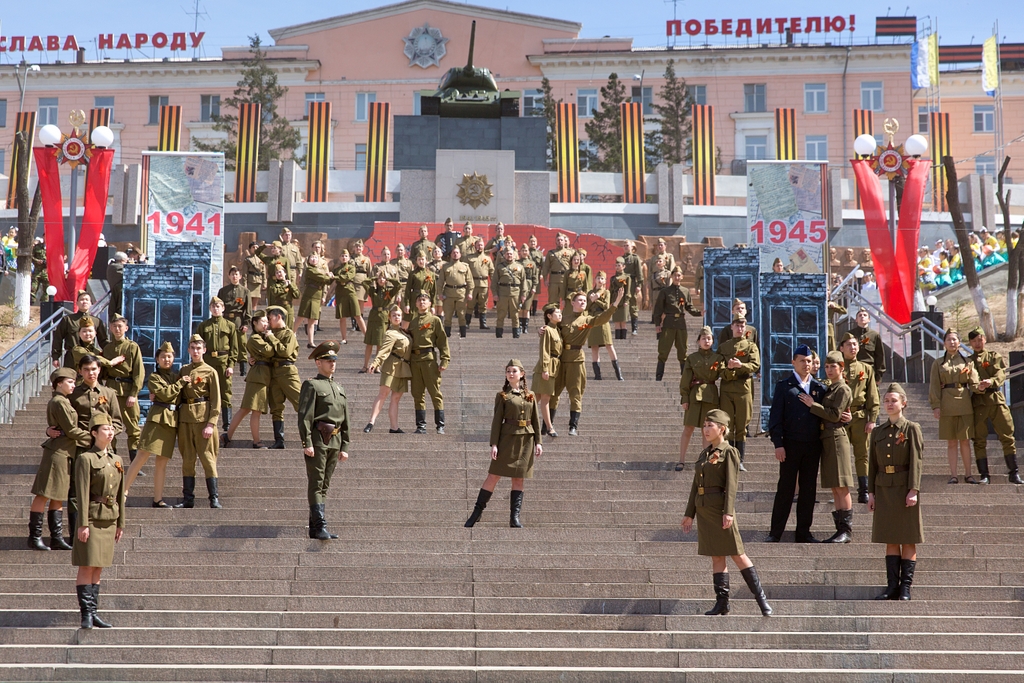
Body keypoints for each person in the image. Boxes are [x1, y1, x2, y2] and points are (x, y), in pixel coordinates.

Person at [682, 409, 772, 617]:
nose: (705, 429)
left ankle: (762, 600)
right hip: (704, 511)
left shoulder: (729, 451)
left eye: (710, 425)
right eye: (704, 425)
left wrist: (728, 512)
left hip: (720, 509)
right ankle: (722, 603)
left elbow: (732, 484)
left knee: (738, 555)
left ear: (721, 428)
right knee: (717, 557)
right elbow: (696, 486)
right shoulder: (705, 454)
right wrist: (689, 514)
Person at [465, 358, 543, 528]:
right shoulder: (502, 396)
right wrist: (494, 444)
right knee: (493, 475)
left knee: (518, 479)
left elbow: (536, 420)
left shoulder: (530, 396)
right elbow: (496, 421)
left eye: (514, 371)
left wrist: (538, 442)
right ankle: (476, 513)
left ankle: (514, 518)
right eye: (508, 371)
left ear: (522, 374)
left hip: (526, 441)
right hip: (507, 439)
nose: (511, 374)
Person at [766, 344, 827, 543]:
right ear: (793, 362)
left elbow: (827, 415)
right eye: (802, 360)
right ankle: (775, 532)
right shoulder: (784, 386)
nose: (806, 364)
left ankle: (803, 532)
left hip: (812, 446)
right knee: (786, 488)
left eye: (809, 361)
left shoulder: (819, 388)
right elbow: (775, 418)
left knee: (808, 490)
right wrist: (778, 444)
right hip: (790, 445)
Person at [869, 382, 924, 601]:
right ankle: (892, 587)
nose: (890, 404)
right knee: (890, 539)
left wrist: (914, 489)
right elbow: (872, 464)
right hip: (883, 489)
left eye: (894, 400)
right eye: (887, 401)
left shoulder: (911, 428)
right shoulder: (878, 432)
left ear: (904, 403)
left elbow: (916, 461)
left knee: (907, 538)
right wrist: (871, 493)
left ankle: (905, 589)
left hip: (904, 489)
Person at [72, 412, 125, 630]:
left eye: (112, 429)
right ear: (94, 433)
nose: (110, 432)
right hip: (92, 517)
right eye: (105, 429)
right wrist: (82, 523)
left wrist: (121, 523)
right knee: (87, 565)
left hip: (109, 518)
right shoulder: (86, 458)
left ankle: (94, 613)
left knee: (99, 568)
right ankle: (86, 614)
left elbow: (121, 494)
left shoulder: (117, 460)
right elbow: (82, 493)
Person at [28, 368, 90, 551]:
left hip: (65, 452)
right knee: (44, 493)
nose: (73, 385)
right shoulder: (59, 402)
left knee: (58, 495)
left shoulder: (64, 401)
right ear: (58, 384)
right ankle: (35, 536)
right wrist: (93, 439)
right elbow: (71, 430)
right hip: (57, 452)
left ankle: (56, 538)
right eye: (70, 382)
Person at [550, 288, 624, 435]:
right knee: (554, 393)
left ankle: (573, 426)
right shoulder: (563, 318)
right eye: (580, 300)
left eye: (585, 301)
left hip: (577, 359)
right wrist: (542, 329)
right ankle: (548, 424)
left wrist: (615, 303)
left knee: (576, 393)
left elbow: (603, 318)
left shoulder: (587, 319)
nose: (583, 302)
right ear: (573, 303)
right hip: (561, 359)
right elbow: (551, 329)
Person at [124, 342, 188, 507]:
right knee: (142, 456)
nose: (166, 359)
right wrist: (179, 385)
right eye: (163, 357)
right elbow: (165, 394)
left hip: (171, 420)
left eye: (169, 356)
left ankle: (158, 499)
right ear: (157, 360)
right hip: (157, 418)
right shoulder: (154, 377)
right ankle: (123, 492)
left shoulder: (175, 376)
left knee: (162, 462)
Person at [298, 341, 350, 541]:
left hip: (335, 440)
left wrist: (345, 445)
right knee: (317, 482)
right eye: (328, 360)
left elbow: (346, 420)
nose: (332, 363)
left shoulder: (339, 387)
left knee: (325, 484)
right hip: (319, 439)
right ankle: (320, 525)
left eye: (334, 360)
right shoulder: (312, 385)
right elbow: (305, 416)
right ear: (318, 362)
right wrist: (307, 442)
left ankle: (314, 528)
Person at [66, 355, 123, 537]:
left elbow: (118, 423)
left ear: (99, 370)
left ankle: (101, 529)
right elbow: (66, 420)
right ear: (80, 371)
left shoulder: (109, 393)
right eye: (86, 369)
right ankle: (76, 533)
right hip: (81, 448)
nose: (90, 373)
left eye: (94, 369)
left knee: (104, 489)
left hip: (105, 451)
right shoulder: (74, 394)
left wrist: (105, 436)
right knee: (76, 491)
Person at [803, 351, 856, 543]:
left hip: (835, 437)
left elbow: (834, 415)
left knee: (841, 486)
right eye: (826, 366)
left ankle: (846, 530)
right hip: (827, 437)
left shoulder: (842, 389)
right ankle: (840, 529)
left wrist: (813, 405)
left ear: (842, 368)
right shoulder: (831, 388)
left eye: (833, 366)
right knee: (835, 487)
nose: (829, 370)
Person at [968, 328, 1023, 483]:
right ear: (970, 343)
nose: (977, 343)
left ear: (985, 339)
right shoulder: (968, 360)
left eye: (979, 340)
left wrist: (990, 382)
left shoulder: (993, 356)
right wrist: (976, 387)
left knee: (1007, 435)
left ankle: (1014, 473)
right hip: (979, 402)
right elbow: (968, 379)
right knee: (979, 440)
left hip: (996, 399)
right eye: (973, 341)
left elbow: (1000, 373)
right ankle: (984, 475)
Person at [175, 334, 222, 510]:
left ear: (204, 350)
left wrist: (211, 423)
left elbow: (216, 399)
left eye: (198, 348)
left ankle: (214, 498)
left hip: (203, 420)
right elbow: (178, 395)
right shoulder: (184, 370)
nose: (195, 351)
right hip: (186, 420)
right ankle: (188, 499)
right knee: (187, 460)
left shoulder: (210, 371)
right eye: (192, 348)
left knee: (208, 459)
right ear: (188, 350)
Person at [929, 328, 980, 484]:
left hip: (964, 402)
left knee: (965, 440)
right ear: (944, 343)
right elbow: (934, 386)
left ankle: (968, 474)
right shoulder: (938, 363)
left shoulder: (968, 362)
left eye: (954, 339)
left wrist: (981, 386)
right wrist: (936, 406)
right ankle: (953, 475)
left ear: (959, 343)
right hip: (947, 404)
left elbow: (974, 382)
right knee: (951, 441)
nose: (952, 342)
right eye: (949, 339)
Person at [223, 311, 275, 449]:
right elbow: (270, 351)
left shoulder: (260, 337)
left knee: (245, 409)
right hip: (258, 376)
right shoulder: (255, 339)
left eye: (266, 321)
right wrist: (272, 338)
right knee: (255, 410)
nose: (266, 324)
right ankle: (256, 441)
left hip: (261, 375)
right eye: (262, 322)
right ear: (255, 323)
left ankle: (227, 436)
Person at [838, 333, 880, 504]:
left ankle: (863, 490)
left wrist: (872, 419)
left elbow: (872, 396)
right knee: (841, 454)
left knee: (862, 454)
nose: (853, 347)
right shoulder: (836, 367)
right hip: (839, 418)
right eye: (848, 344)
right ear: (841, 348)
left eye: (855, 344)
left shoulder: (866, 368)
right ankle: (843, 488)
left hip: (860, 417)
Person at [678, 327, 723, 471]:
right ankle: (681, 460)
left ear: (713, 341)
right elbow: (685, 379)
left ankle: (707, 461)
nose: (706, 341)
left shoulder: (717, 358)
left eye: (709, 338)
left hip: (710, 395)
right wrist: (685, 397)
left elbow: (723, 373)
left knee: (708, 430)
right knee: (688, 428)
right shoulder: (692, 358)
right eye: (703, 338)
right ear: (698, 341)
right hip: (694, 396)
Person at [102, 314, 144, 467]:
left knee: (133, 428)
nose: (117, 329)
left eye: (120, 326)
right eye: (114, 326)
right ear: (110, 328)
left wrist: (134, 394)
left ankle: (135, 464)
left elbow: (139, 373)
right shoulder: (107, 349)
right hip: (111, 391)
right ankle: (111, 459)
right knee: (109, 426)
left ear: (126, 328)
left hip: (127, 392)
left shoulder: (132, 347)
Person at [408, 290, 451, 434]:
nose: (422, 302)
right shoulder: (413, 322)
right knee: (417, 393)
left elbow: (442, 342)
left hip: (429, 360)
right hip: (415, 361)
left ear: (430, 303)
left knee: (435, 392)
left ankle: (440, 425)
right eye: (419, 300)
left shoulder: (434, 320)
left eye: (424, 300)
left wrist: (445, 360)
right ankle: (421, 426)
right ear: (415, 304)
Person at [197, 297, 239, 443]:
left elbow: (234, 347)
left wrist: (231, 365)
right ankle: (206, 420)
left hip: (223, 362)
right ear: (210, 308)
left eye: (218, 306)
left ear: (223, 308)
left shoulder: (230, 325)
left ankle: (227, 425)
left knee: (225, 393)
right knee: (206, 392)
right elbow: (198, 345)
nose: (216, 308)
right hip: (208, 362)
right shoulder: (204, 326)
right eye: (213, 306)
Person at [365, 306, 413, 433]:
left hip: (403, 368)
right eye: (394, 315)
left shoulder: (405, 332)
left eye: (398, 315)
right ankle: (371, 422)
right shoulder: (390, 333)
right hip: (391, 366)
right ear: (389, 318)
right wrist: (375, 363)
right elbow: (384, 351)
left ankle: (394, 426)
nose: (396, 317)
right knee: (383, 394)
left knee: (396, 398)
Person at [653, 267, 702, 382]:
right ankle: (658, 378)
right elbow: (658, 310)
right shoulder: (665, 292)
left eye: (679, 275)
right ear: (671, 276)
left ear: (682, 277)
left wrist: (700, 312)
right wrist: (657, 325)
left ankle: (684, 378)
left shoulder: (685, 291)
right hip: (668, 323)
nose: (677, 277)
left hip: (681, 324)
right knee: (663, 351)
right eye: (675, 275)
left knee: (683, 351)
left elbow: (689, 307)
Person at [266, 306, 302, 449]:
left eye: (270, 318)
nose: (268, 322)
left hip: (287, 371)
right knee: (276, 407)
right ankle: (279, 440)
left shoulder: (288, 334)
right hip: (274, 372)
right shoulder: (269, 334)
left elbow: (285, 352)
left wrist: (272, 339)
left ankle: (311, 437)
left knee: (301, 404)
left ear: (278, 317)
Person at [52, 291, 108, 369]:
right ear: (77, 303)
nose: (84, 301)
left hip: (90, 357)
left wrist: (111, 352)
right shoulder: (68, 319)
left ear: (91, 303)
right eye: (81, 299)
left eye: (87, 299)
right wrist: (55, 357)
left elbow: (103, 341)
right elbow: (58, 338)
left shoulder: (97, 321)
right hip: (72, 358)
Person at [532, 303, 563, 437]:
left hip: (554, 365)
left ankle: (520, 420)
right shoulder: (547, 329)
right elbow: (544, 350)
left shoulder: (557, 329)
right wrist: (545, 368)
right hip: (547, 366)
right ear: (549, 316)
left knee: (535, 398)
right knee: (545, 398)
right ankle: (550, 428)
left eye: (560, 312)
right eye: (557, 313)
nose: (560, 315)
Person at [361, 271, 402, 374]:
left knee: (380, 343)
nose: (381, 280)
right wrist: (374, 277)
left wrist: (389, 278)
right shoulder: (373, 290)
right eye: (380, 278)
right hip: (373, 316)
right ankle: (365, 366)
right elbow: (364, 283)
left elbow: (398, 285)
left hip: (383, 316)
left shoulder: (389, 291)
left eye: (383, 278)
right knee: (369, 343)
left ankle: (377, 366)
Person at [587, 271, 623, 381]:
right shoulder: (590, 292)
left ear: (605, 281)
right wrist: (591, 299)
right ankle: (597, 375)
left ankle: (618, 373)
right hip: (592, 319)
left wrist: (596, 299)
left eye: (602, 278)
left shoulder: (606, 292)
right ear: (595, 279)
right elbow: (587, 306)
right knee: (594, 347)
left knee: (609, 345)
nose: (599, 280)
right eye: (598, 278)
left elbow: (606, 306)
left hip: (603, 318)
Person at [218, 266, 252, 377]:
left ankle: (243, 368)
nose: (234, 276)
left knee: (241, 343)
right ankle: (226, 365)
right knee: (225, 342)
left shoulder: (245, 291)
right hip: (226, 318)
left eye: (236, 274)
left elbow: (248, 309)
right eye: (232, 274)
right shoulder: (223, 291)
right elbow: (218, 306)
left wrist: (246, 323)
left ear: (240, 276)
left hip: (238, 319)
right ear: (229, 276)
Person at [296, 253, 335, 348]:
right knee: (302, 316)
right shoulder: (309, 269)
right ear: (308, 260)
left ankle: (310, 342)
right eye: (311, 258)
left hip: (317, 294)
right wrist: (329, 276)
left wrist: (330, 277)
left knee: (313, 319)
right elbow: (322, 278)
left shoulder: (318, 270)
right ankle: (292, 333)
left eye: (315, 258)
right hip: (309, 294)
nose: (313, 259)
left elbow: (327, 281)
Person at [333, 250, 366, 343]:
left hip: (350, 291)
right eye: (342, 255)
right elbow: (329, 280)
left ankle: (366, 336)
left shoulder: (351, 268)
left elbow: (346, 277)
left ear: (348, 258)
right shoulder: (336, 269)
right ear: (339, 257)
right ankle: (344, 338)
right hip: (340, 292)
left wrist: (335, 277)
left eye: (346, 256)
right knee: (342, 317)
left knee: (357, 314)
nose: (344, 257)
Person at [440, 246, 472, 338]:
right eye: (453, 253)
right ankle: (447, 335)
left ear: (460, 255)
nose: (455, 254)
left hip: (461, 294)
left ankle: (463, 334)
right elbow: (440, 282)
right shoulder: (445, 266)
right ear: (450, 255)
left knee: (462, 315)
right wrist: (440, 293)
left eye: (457, 252)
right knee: (448, 316)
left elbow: (470, 281)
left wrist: (469, 293)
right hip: (449, 293)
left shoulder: (465, 266)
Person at [493, 246, 525, 339]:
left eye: (511, 254)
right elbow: (494, 282)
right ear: (504, 255)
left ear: (514, 255)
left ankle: (516, 334)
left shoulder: (520, 267)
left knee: (515, 314)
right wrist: (495, 294)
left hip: (515, 293)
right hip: (502, 293)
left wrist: (523, 294)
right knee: (501, 314)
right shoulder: (499, 267)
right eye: (507, 254)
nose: (509, 255)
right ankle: (499, 334)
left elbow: (523, 282)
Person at [467, 238, 495, 330]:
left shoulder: (487, 258)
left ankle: (483, 324)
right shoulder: (469, 258)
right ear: (475, 246)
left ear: (484, 246)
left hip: (484, 285)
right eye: (478, 245)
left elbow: (492, 272)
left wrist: (494, 284)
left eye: (481, 245)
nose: (480, 247)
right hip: (472, 284)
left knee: (483, 305)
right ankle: (467, 323)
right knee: (470, 305)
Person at [853, 307, 886, 382]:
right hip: (854, 369)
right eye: (860, 315)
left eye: (865, 315)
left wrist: (879, 375)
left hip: (870, 370)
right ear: (856, 320)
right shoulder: (850, 334)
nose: (862, 317)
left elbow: (880, 355)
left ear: (869, 320)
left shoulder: (874, 335)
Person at [542, 233, 574, 305]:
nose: (560, 241)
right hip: (554, 279)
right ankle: (553, 315)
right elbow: (546, 266)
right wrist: (545, 278)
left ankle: (565, 316)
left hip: (565, 279)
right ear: (555, 242)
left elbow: (573, 266)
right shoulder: (551, 253)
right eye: (558, 240)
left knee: (566, 300)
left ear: (564, 241)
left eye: (561, 240)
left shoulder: (570, 253)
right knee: (553, 301)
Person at [266, 265, 300, 330]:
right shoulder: (274, 285)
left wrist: (290, 286)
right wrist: (284, 286)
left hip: (288, 307)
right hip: (279, 307)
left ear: (285, 273)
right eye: (277, 273)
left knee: (289, 327)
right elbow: (275, 293)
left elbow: (297, 295)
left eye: (280, 272)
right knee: (278, 327)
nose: (279, 274)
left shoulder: (291, 283)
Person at [622, 241, 644, 334]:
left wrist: (639, 285)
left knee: (633, 305)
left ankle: (634, 328)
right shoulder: (621, 259)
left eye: (627, 245)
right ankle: (622, 327)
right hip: (623, 283)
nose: (625, 247)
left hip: (632, 283)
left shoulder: (635, 258)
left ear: (632, 247)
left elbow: (639, 272)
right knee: (623, 304)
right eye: (624, 246)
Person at [405, 250, 436, 314]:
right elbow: (408, 289)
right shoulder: (413, 274)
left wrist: (433, 305)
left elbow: (433, 291)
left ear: (426, 260)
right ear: (416, 261)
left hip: (427, 299)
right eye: (419, 259)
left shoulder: (431, 274)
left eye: (422, 259)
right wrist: (407, 304)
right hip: (415, 299)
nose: (421, 261)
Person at [517, 243, 538, 334]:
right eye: (523, 251)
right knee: (520, 308)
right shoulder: (517, 263)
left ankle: (526, 327)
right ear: (520, 252)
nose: (524, 252)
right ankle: (520, 326)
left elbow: (535, 277)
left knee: (526, 308)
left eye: (526, 250)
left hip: (529, 285)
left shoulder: (532, 263)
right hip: (519, 286)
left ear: (528, 252)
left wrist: (534, 287)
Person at [609, 257, 632, 341]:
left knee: (623, 322)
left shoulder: (627, 277)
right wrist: (610, 301)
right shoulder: (613, 278)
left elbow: (628, 290)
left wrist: (626, 300)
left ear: (623, 266)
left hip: (623, 301)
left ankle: (624, 340)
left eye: (619, 265)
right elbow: (610, 290)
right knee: (617, 322)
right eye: (616, 265)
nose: (617, 267)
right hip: (615, 301)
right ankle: (618, 340)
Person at [350, 239, 373, 311]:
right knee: (353, 302)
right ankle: (353, 320)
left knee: (361, 302)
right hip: (352, 283)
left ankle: (359, 319)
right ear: (354, 248)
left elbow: (370, 273)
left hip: (362, 283)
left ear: (363, 248)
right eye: (356, 246)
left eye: (360, 246)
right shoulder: (350, 259)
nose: (358, 248)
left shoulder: (366, 259)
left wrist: (371, 285)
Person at [244, 241, 266, 308]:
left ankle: (253, 315)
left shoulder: (261, 259)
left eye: (256, 247)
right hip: (250, 282)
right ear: (250, 249)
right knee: (249, 302)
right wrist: (245, 284)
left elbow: (263, 272)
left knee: (255, 303)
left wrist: (264, 283)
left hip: (258, 282)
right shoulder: (247, 259)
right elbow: (244, 273)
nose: (255, 248)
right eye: (253, 247)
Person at [106, 252, 126, 317]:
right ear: (122, 261)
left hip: (116, 293)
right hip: (119, 293)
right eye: (126, 261)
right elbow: (128, 275)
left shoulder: (112, 266)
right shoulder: (117, 268)